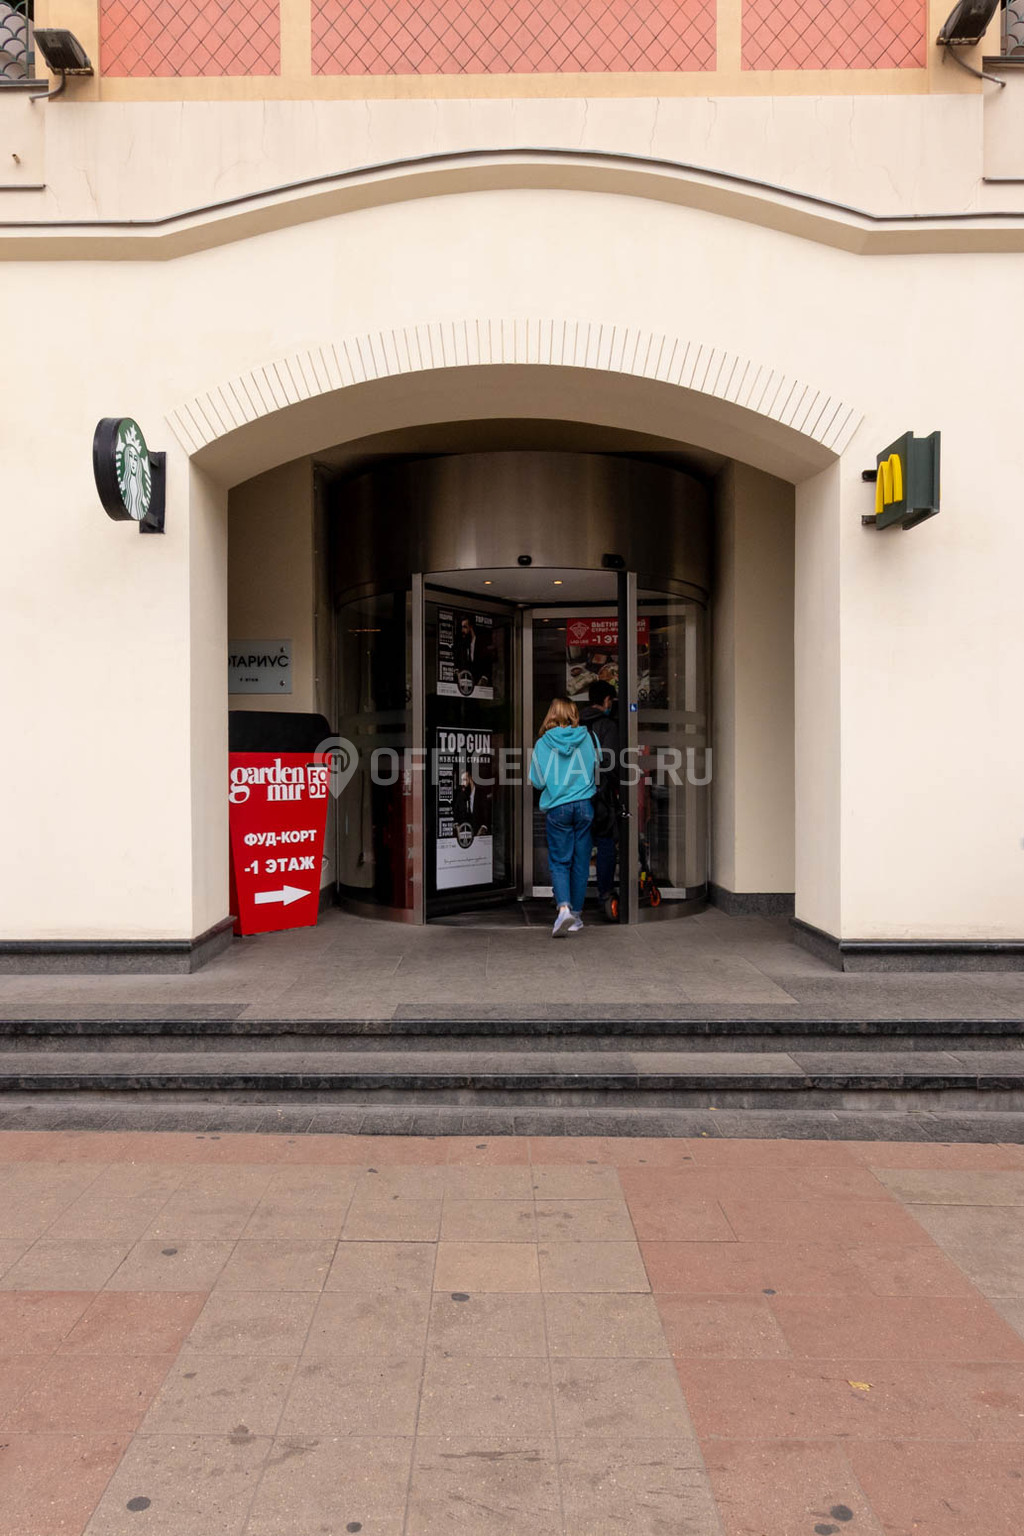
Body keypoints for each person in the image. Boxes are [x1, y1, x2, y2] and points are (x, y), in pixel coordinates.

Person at [529, 696, 597, 937]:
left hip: (558, 807)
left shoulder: (542, 744)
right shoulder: (587, 737)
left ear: (551, 714)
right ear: (573, 713)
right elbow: (595, 768)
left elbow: (538, 782)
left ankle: (564, 909)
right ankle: (576, 916)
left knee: (560, 861)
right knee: (580, 861)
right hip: (584, 805)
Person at [578, 679, 620, 914]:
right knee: (605, 843)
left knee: (577, 844)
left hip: (574, 794)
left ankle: (568, 895)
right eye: (611, 701)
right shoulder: (607, 726)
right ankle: (605, 894)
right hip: (600, 795)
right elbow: (611, 764)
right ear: (605, 700)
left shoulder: (575, 723)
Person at [453, 766, 491, 835]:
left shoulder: (482, 794)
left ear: (471, 779)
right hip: (465, 836)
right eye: (461, 781)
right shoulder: (460, 796)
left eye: (464, 780)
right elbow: (456, 816)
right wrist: (457, 826)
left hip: (479, 836)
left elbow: (487, 817)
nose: (462, 784)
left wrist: (483, 828)